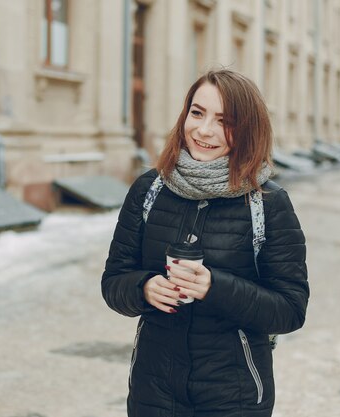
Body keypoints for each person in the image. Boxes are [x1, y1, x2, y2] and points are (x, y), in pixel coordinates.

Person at [101, 69, 309, 417]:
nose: (204, 130)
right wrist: (144, 288)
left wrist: (215, 287)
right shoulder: (149, 189)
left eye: (223, 121)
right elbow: (113, 283)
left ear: (247, 129)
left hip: (235, 395)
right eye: (197, 113)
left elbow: (290, 310)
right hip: (154, 391)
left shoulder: (268, 204)